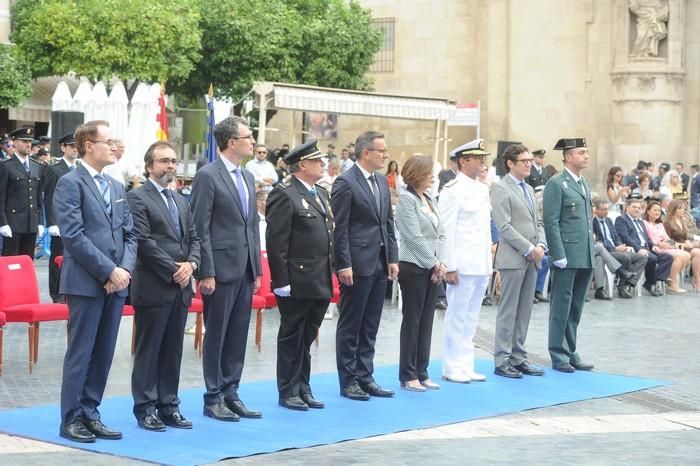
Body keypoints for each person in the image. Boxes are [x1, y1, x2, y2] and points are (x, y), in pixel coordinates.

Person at [54, 120, 137, 443]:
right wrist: (108, 271)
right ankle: (71, 418)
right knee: (81, 352)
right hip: (86, 283)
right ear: (89, 145)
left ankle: (91, 412)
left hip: (116, 283)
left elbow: (130, 234)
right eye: (108, 141)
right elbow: (73, 236)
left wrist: (123, 271)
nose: (114, 146)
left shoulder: (116, 186)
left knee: (103, 353)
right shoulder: (69, 183)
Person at [190, 116, 262, 422]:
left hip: (244, 268)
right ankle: (213, 396)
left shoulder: (247, 177)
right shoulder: (208, 175)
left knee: (237, 334)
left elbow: (253, 225)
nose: (253, 142)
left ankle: (232, 392)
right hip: (218, 269)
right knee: (217, 334)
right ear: (231, 142)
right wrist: (205, 270)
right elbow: (199, 225)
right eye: (249, 137)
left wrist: (256, 268)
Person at [127, 141, 201, 431]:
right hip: (155, 285)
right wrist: (175, 270)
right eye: (163, 161)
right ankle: (145, 408)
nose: (170, 166)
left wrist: (191, 265)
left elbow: (194, 238)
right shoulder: (137, 198)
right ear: (149, 166)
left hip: (180, 287)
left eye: (173, 161)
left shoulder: (181, 199)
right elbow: (144, 242)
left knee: (173, 350)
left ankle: (169, 405)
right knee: (150, 349)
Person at [265, 140, 334, 411]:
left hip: (319, 278)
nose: (323, 165)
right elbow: (276, 241)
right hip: (297, 279)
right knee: (292, 336)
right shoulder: (285, 193)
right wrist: (281, 281)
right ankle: (288, 390)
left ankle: (303, 386)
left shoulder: (321, 193)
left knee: (307, 335)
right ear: (302, 165)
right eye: (317, 161)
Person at [331, 131, 399, 400]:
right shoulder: (345, 182)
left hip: (379, 262)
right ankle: (348, 380)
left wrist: (392, 257)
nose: (385, 155)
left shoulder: (381, 181)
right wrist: (343, 263)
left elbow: (387, 222)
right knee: (351, 324)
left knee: (370, 324)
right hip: (357, 264)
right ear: (366, 152)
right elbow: (340, 228)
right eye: (381, 151)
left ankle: (365, 375)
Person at [490, 144, 546, 379]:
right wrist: (529, 248)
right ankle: (501, 359)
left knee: (524, 310)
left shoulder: (529, 189)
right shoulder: (501, 189)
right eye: (523, 160)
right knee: (508, 310)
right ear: (510, 163)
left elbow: (537, 223)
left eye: (529, 160)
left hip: (533, 257)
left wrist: (541, 245)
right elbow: (504, 226)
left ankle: (518, 356)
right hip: (514, 257)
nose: (528, 164)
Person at [438, 139, 492, 383]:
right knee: (457, 315)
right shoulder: (452, 190)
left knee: (471, 317)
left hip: (480, 263)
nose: (483, 162)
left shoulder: (482, 188)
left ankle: (465, 363)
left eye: (483, 158)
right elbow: (446, 230)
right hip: (462, 263)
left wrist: (488, 264)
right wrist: (449, 266)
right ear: (463, 161)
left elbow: (484, 230)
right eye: (477, 158)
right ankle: (451, 366)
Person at [542, 138, 595, 373]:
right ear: (568, 157)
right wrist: (557, 253)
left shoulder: (583, 183)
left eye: (586, 152)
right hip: (566, 253)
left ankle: (571, 350)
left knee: (575, 306)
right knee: (561, 305)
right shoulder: (556, 183)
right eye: (581, 152)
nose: (586, 156)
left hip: (583, 252)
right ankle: (558, 353)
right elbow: (551, 220)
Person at [394, 155, 446, 391]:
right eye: (429, 173)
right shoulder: (407, 200)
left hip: (433, 266)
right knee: (412, 320)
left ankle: (422, 371)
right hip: (414, 266)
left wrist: (440, 262)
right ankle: (408, 373)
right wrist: (433, 262)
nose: (433, 177)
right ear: (417, 174)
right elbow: (412, 237)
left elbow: (440, 233)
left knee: (427, 321)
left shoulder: (430, 199)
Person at [0, 127, 46, 259]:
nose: (28, 144)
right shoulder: (6, 166)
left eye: (30, 141)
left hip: (31, 223)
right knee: (11, 263)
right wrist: (3, 223)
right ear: (14, 142)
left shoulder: (37, 166)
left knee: (27, 262)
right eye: (24, 141)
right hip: (12, 224)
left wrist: (40, 222)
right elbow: (1, 197)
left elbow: (38, 199)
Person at [44, 133, 80, 303]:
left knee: (73, 258)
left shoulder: (80, 168)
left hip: (77, 221)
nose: (75, 149)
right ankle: (56, 292)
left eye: (76, 146)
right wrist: (52, 223)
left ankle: (69, 290)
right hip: (60, 221)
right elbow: (50, 197)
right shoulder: (54, 168)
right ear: (63, 147)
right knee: (57, 257)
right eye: (71, 146)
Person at [615, 197, 673, 296]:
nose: (637, 209)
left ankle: (650, 282)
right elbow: (625, 237)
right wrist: (638, 249)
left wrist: (653, 245)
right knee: (652, 258)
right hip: (633, 248)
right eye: (634, 207)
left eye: (639, 208)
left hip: (647, 248)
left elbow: (647, 238)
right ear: (627, 207)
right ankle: (650, 284)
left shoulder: (640, 222)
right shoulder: (621, 219)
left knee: (667, 257)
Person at [591, 199, 645, 298]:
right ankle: (623, 276)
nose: (606, 212)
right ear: (596, 210)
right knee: (625, 257)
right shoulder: (592, 222)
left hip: (616, 249)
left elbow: (616, 237)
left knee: (641, 258)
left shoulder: (608, 220)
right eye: (603, 209)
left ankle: (626, 284)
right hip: (606, 251)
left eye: (607, 209)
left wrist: (621, 246)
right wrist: (615, 248)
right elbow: (597, 242)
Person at [641, 200, 690, 293]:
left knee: (687, 255)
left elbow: (666, 237)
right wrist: (659, 244)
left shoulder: (660, 224)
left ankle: (670, 278)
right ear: (648, 211)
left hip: (666, 246)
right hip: (657, 248)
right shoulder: (644, 223)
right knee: (680, 257)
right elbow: (647, 239)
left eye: (659, 211)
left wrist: (672, 243)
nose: (657, 212)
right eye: (655, 210)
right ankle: (672, 283)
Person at [663, 199, 700, 290]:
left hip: (685, 246)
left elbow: (685, 237)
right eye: (680, 209)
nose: (683, 210)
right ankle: (696, 281)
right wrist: (683, 244)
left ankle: (697, 280)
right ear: (673, 209)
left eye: (683, 209)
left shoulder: (682, 221)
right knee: (698, 252)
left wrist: (688, 242)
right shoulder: (667, 223)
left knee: (698, 252)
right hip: (675, 247)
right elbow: (667, 240)